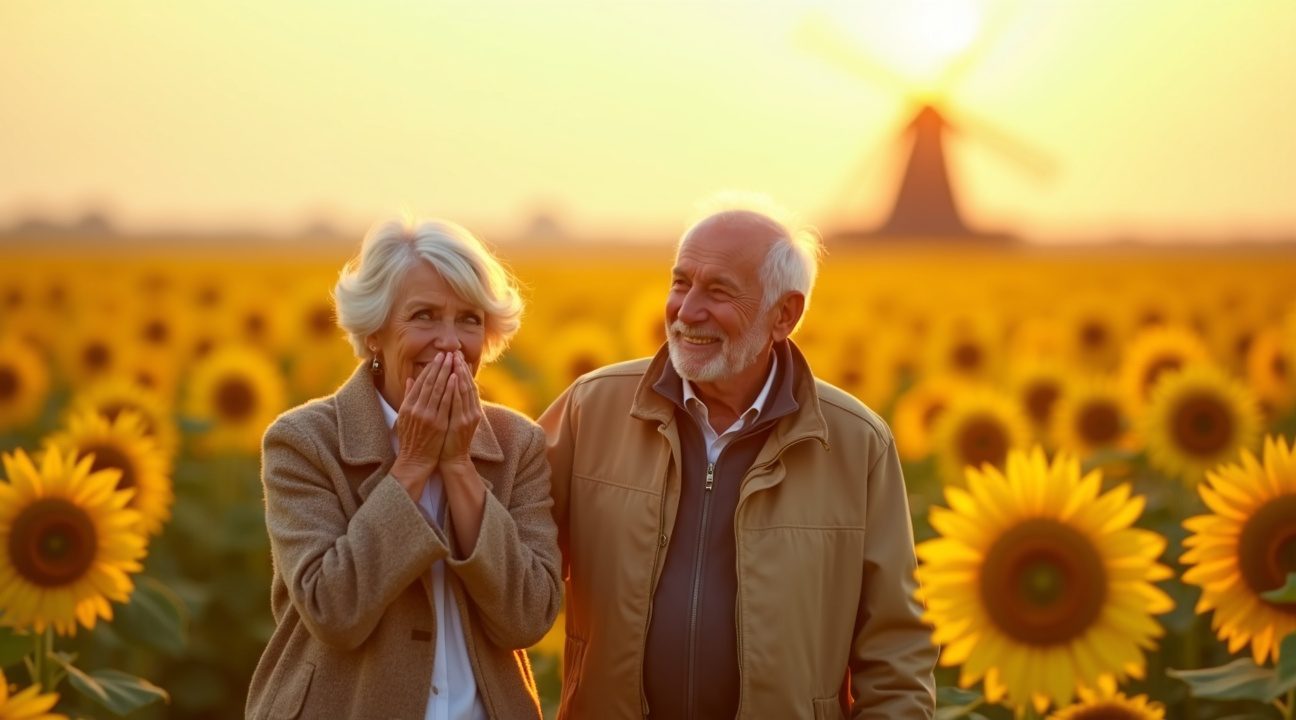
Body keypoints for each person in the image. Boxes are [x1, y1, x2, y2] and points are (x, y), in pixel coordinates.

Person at [539, 202, 937, 719]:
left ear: (784, 314)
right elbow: (504, 555)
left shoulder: (856, 443)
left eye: (719, 291)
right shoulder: (591, 408)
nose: (686, 311)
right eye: (681, 283)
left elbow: (896, 652)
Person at [246, 218, 561, 720]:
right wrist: (413, 463)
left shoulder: (517, 443)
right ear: (374, 332)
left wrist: (458, 466)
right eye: (425, 316)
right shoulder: (304, 442)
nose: (451, 342)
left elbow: (527, 617)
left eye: (470, 320)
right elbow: (334, 610)